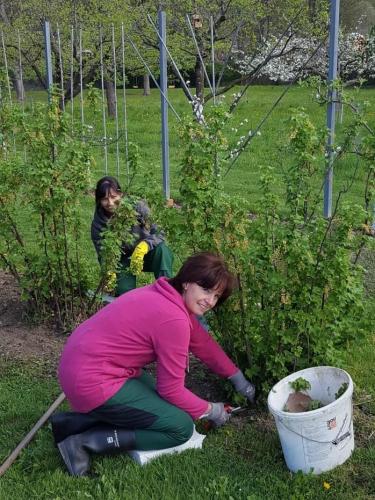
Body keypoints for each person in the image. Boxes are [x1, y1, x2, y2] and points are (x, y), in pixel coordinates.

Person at [51, 252, 256, 476]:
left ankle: (71, 423)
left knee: (170, 410)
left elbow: (203, 343)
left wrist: (237, 378)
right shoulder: (173, 319)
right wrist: (211, 410)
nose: (210, 301)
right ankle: (83, 443)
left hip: (85, 366)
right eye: (206, 290)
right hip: (93, 381)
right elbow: (171, 390)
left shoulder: (165, 293)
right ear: (187, 282)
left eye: (216, 296)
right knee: (180, 427)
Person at [91, 176, 173, 296]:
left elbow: (160, 232)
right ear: (98, 200)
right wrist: (109, 269)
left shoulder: (138, 207)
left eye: (114, 197)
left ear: (121, 194)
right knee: (124, 293)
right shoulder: (98, 224)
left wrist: (144, 246)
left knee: (162, 250)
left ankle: (169, 292)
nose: (110, 203)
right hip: (121, 260)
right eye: (104, 199)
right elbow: (102, 252)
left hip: (145, 254)